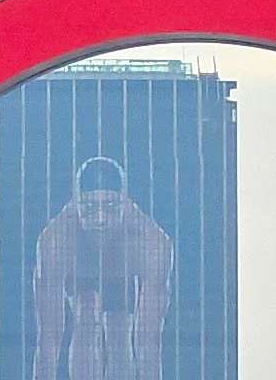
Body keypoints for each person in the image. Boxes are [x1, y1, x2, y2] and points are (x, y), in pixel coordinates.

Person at [33, 157, 173, 380]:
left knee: (120, 331)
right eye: (89, 207)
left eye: (110, 206)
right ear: (76, 203)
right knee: (86, 315)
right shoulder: (55, 240)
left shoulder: (150, 242)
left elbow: (148, 340)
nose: (100, 219)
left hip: (122, 263)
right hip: (81, 263)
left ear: (124, 203)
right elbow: (49, 338)